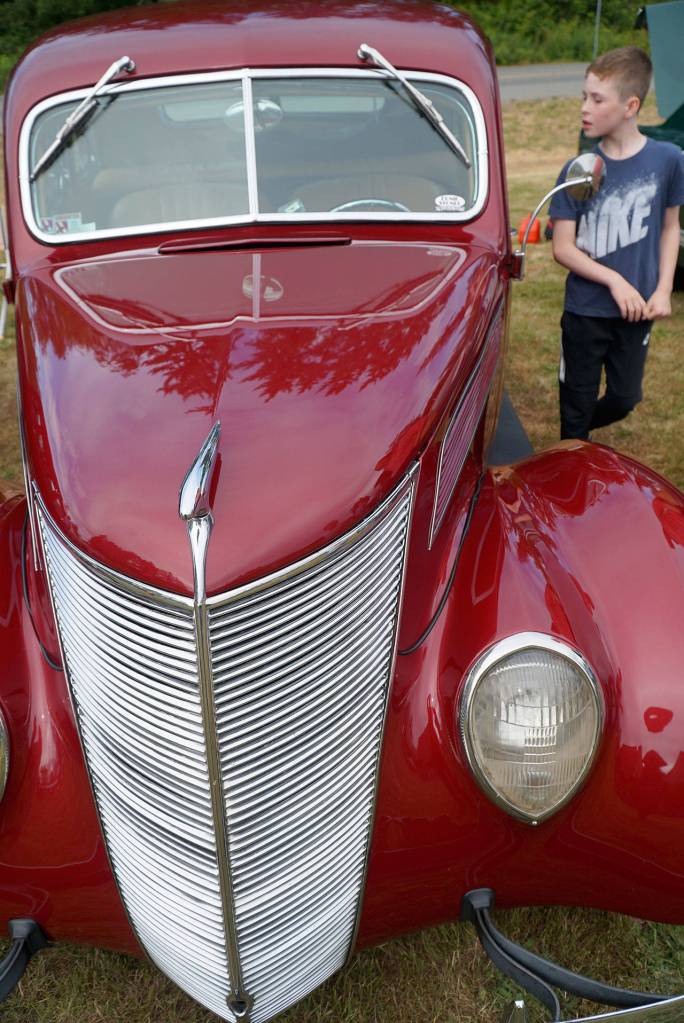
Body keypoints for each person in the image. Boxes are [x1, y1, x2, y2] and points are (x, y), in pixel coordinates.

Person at [549, 46, 684, 441]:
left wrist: (662, 291)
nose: (584, 108)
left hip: (636, 312)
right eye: (583, 97)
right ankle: (572, 455)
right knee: (576, 399)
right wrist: (614, 280)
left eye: (596, 99)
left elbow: (669, 228)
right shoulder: (578, 171)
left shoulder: (668, 160)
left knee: (625, 397)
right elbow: (563, 247)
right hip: (585, 311)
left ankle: (573, 432)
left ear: (630, 106)